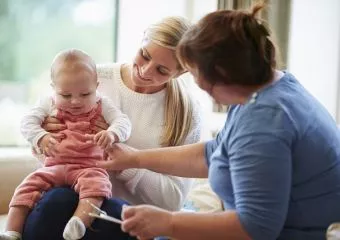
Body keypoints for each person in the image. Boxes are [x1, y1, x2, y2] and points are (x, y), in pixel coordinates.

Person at [97, 3, 340, 240]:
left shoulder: (266, 123)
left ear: (222, 74)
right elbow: (216, 152)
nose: (199, 86)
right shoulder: (272, 87)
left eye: (195, 75)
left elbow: (255, 227)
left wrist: (168, 223)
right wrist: (135, 159)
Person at [22, 16, 201, 240]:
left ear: (181, 72)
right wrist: (48, 137)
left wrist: (125, 162)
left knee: (114, 214)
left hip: (125, 220)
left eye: (162, 70)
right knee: (58, 201)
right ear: (142, 37)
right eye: (144, 55)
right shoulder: (92, 79)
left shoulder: (187, 113)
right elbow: (43, 153)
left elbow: (173, 200)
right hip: (66, 198)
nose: (145, 71)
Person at [0, 49, 132, 240]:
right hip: (54, 166)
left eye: (85, 94)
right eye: (66, 95)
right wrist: (41, 136)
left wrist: (112, 133)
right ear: (53, 88)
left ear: (96, 86)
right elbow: (27, 123)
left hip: (88, 167)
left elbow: (123, 122)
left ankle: (79, 222)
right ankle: (12, 232)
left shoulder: (103, 104)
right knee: (26, 188)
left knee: (97, 186)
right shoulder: (48, 103)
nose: (76, 101)